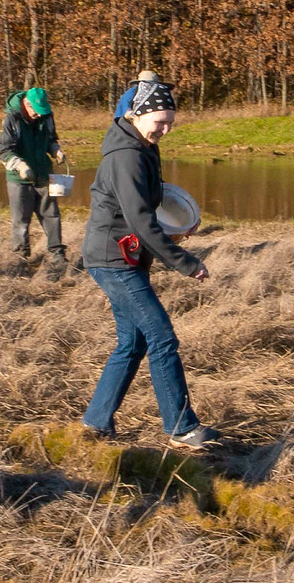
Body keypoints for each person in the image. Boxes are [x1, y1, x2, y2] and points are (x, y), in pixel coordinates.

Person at [80, 82, 218, 450]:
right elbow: (141, 221)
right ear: (136, 114)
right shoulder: (126, 156)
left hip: (126, 256)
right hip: (112, 260)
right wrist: (186, 264)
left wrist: (178, 226)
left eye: (171, 123)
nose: (165, 130)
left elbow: (148, 205)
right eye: (160, 121)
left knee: (134, 340)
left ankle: (96, 421)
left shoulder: (143, 147)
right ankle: (180, 426)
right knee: (161, 336)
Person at [0, 85, 69, 275]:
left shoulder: (46, 115)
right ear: (27, 105)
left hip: (43, 173)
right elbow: (5, 150)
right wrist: (20, 166)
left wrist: (55, 150)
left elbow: (50, 139)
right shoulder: (11, 119)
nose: (39, 116)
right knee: (21, 221)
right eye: (36, 112)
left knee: (52, 215)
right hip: (19, 179)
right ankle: (20, 260)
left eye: (42, 112)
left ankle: (57, 255)